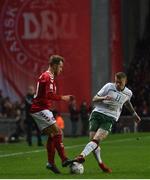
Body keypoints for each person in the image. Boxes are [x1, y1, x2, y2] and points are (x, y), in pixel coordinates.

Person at [69, 72, 141, 173]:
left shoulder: (128, 93)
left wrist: (134, 113)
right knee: (93, 143)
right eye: (116, 82)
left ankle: (80, 156)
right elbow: (94, 99)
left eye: (120, 82)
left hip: (110, 118)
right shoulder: (108, 86)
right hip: (97, 114)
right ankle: (101, 165)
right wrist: (103, 98)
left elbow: (126, 101)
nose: (117, 84)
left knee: (96, 140)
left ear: (125, 81)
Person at [30, 55, 73, 174]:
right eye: (60, 66)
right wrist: (64, 98)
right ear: (54, 65)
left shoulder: (49, 76)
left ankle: (51, 163)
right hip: (39, 109)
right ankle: (64, 159)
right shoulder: (48, 76)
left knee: (53, 135)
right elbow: (49, 95)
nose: (61, 69)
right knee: (58, 132)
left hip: (42, 108)